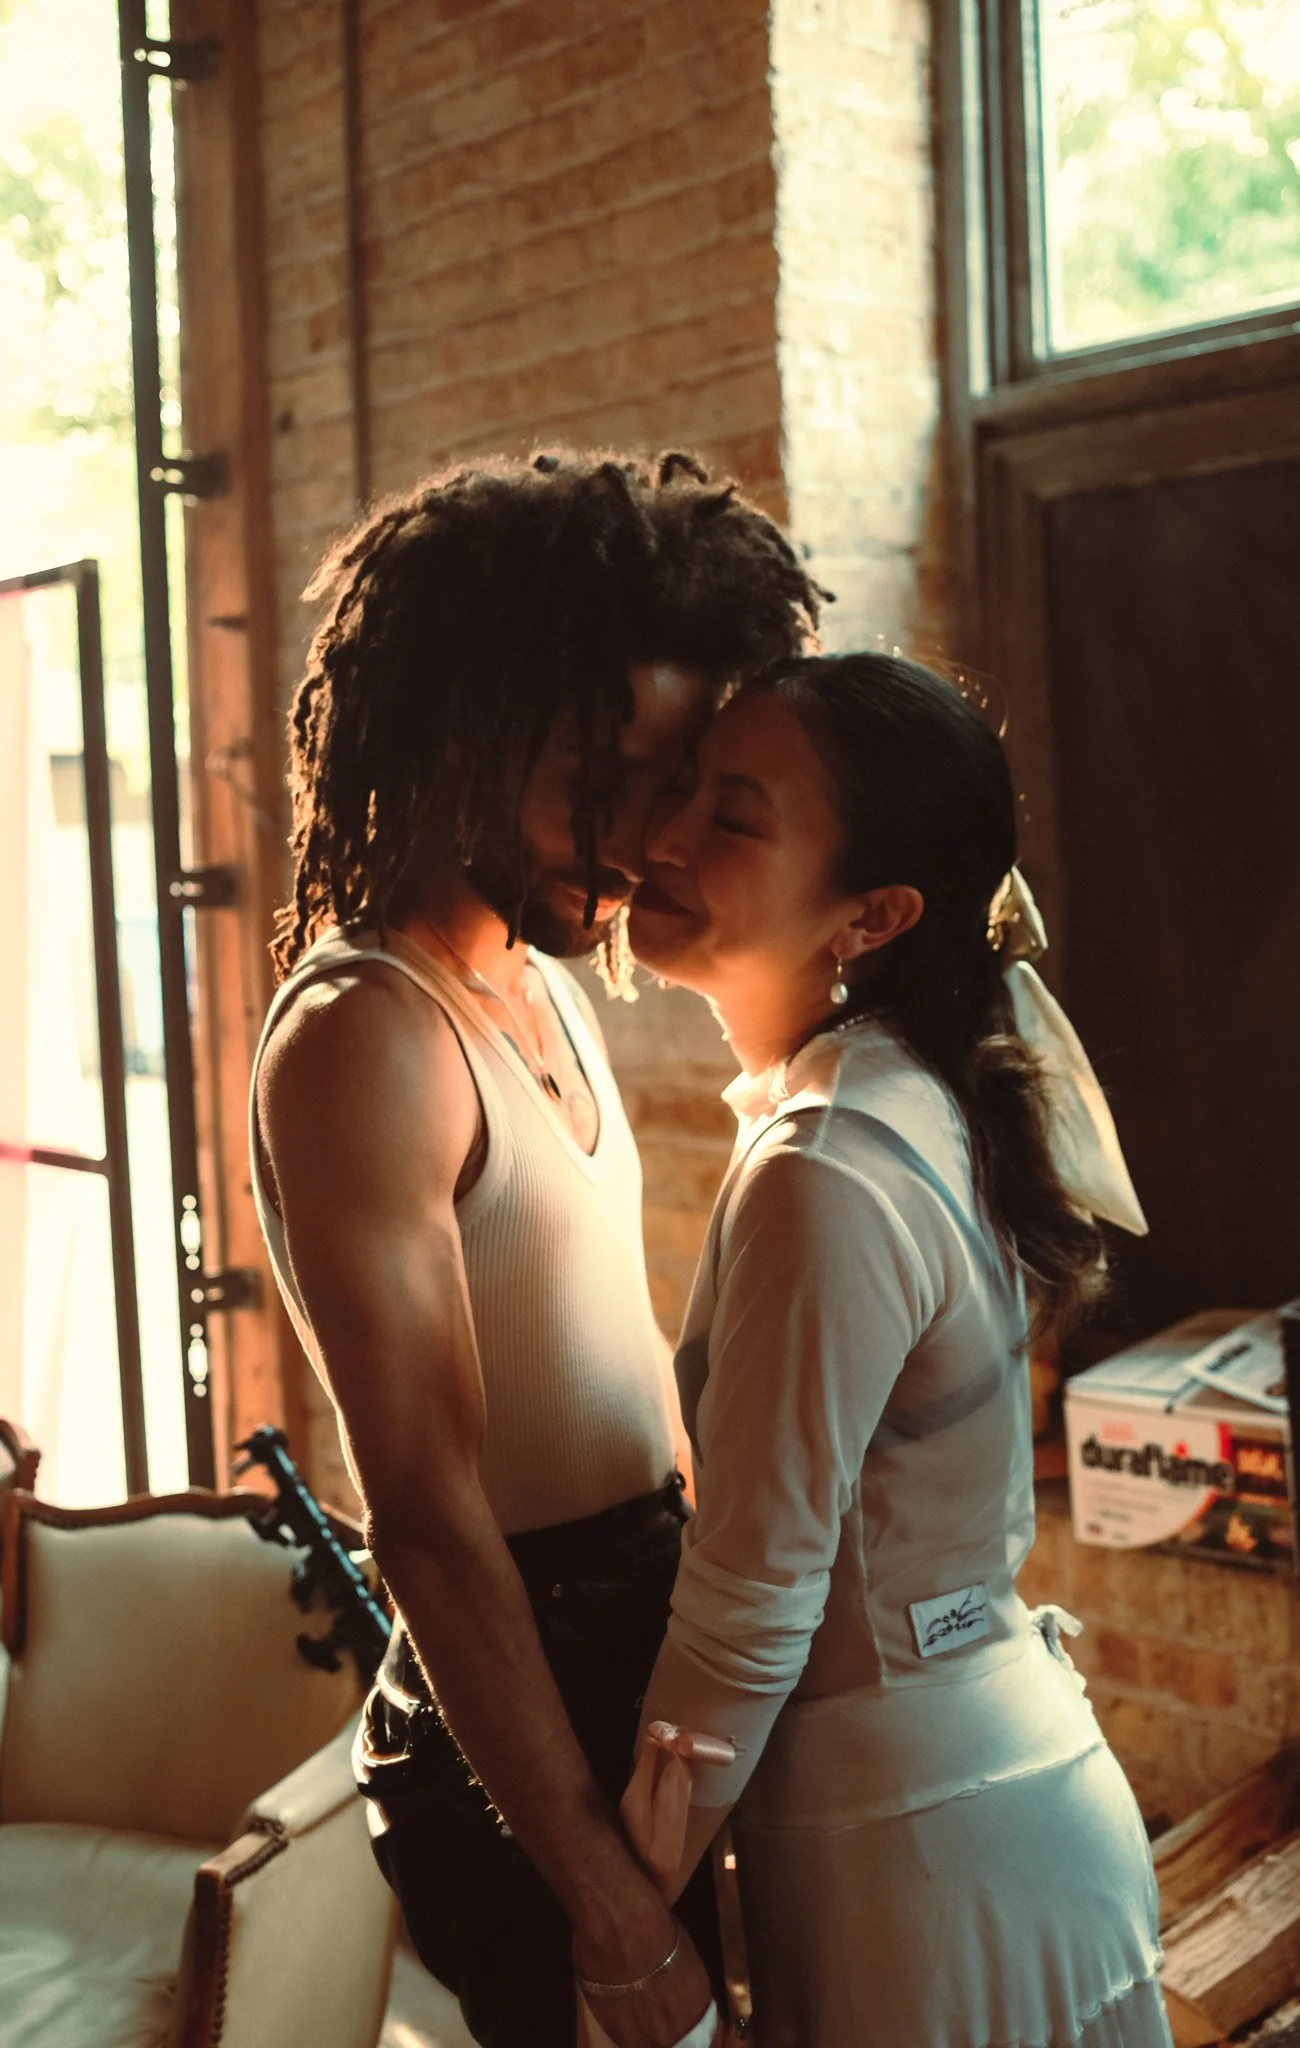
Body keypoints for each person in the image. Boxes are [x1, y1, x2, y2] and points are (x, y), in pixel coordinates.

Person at [248, 449, 823, 2048]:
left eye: (668, 783)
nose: (640, 838)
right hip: (523, 1730)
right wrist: (608, 1905)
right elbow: (430, 1523)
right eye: (598, 778)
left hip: (634, 1653)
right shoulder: (368, 1035)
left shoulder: (540, 978)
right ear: (461, 731)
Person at [627, 651, 1172, 2047]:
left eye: (732, 818)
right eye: (681, 789)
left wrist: (625, 1902)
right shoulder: (906, 1091)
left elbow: (756, 1595)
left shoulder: (827, 1168)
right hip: (978, 1800)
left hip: (925, 1862)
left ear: (872, 914)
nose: (663, 837)